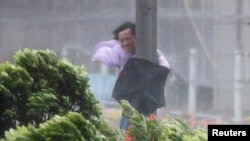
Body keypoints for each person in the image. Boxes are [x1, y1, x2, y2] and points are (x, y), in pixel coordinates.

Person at [91, 21, 170, 130]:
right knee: (127, 130)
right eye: (122, 40)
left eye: (128, 39)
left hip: (147, 104)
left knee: (144, 130)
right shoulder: (120, 57)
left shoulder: (151, 53)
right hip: (128, 105)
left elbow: (165, 67)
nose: (125, 43)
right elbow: (120, 80)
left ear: (137, 38)